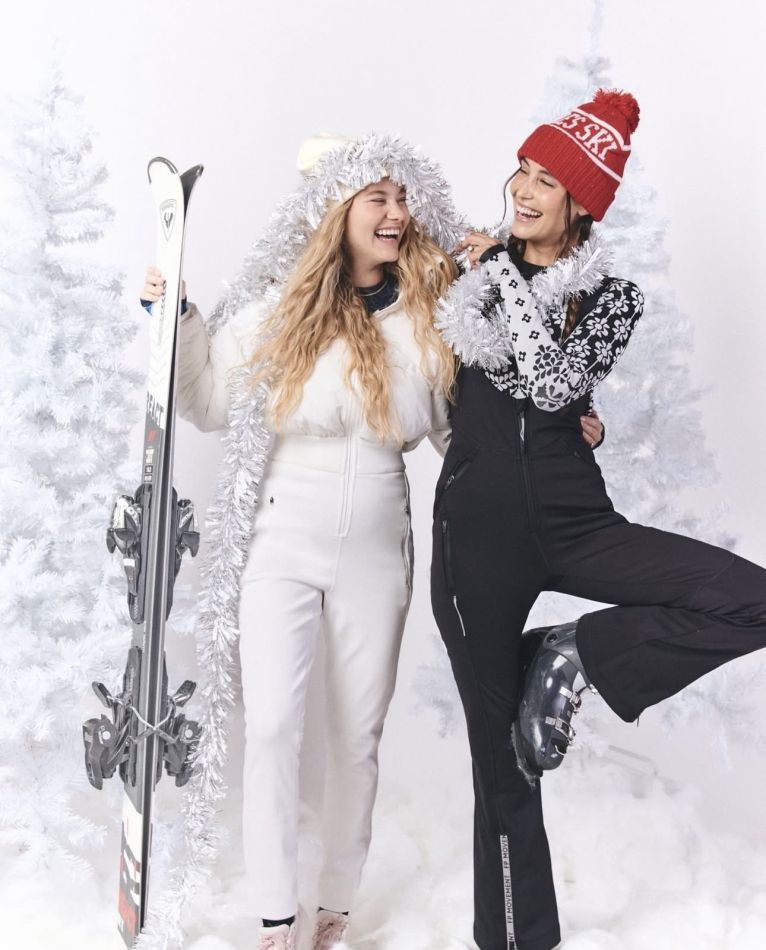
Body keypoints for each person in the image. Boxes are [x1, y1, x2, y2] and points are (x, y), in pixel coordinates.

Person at [431, 88, 766, 950]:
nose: (523, 190)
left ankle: (574, 653)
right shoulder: (462, 276)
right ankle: (518, 942)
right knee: (504, 762)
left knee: (752, 598)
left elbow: (551, 384)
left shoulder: (609, 297)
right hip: (478, 534)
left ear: (582, 203)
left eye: (548, 180)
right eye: (522, 170)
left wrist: (505, 274)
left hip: (576, 519)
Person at [141, 133, 465, 949]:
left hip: (378, 546)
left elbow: (463, 437)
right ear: (336, 210)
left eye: (402, 197)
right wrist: (177, 319)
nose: (395, 213)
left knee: (356, 739)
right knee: (273, 727)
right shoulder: (279, 310)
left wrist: (557, 431)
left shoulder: (430, 317)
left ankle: (334, 909)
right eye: (376, 198)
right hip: (280, 537)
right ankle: (276, 915)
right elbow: (207, 400)